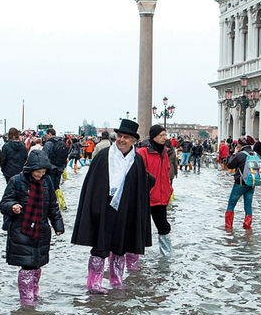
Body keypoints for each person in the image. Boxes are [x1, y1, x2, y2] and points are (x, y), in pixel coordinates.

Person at [71, 119, 152, 293]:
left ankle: (116, 281)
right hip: (103, 208)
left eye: (126, 137)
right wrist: (94, 208)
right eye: (120, 136)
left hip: (125, 211)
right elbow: (93, 184)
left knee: (120, 247)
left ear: (133, 141)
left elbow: (140, 186)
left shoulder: (137, 160)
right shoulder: (104, 155)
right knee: (100, 247)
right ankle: (94, 283)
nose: (122, 140)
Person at [0, 150, 64, 306]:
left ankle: (34, 293)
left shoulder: (47, 182)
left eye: (42, 172)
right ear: (30, 169)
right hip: (21, 230)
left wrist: (58, 225)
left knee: (37, 264)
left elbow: (53, 207)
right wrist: (12, 207)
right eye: (37, 172)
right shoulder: (16, 181)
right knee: (27, 265)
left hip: (41, 231)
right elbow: (4, 204)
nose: (39, 175)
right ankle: (26, 298)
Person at [136, 125, 174, 258]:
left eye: (165, 135)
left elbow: (166, 172)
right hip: (146, 197)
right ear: (154, 136)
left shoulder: (164, 152)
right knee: (139, 229)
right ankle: (135, 257)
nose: (165, 138)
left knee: (164, 227)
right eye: (162, 135)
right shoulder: (142, 152)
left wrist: (169, 190)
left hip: (161, 197)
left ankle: (166, 257)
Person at [224, 136, 256, 230]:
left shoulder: (240, 154)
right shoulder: (255, 154)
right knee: (248, 205)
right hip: (251, 183)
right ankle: (247, 226)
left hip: (240, 183)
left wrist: (234, 153)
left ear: (240, 144)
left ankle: (228, 227)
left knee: (231, 204)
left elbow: (229, 165)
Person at [42, 128, 69, 209]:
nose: (46, 136)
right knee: (57, 186)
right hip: (60, 168)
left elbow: (44, 157)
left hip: (51, 169)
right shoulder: (61, 142)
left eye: (46, 134)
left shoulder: (49, 144)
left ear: (49, 134)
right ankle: (62, 203)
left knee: (49, 187)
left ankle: (51, 204)